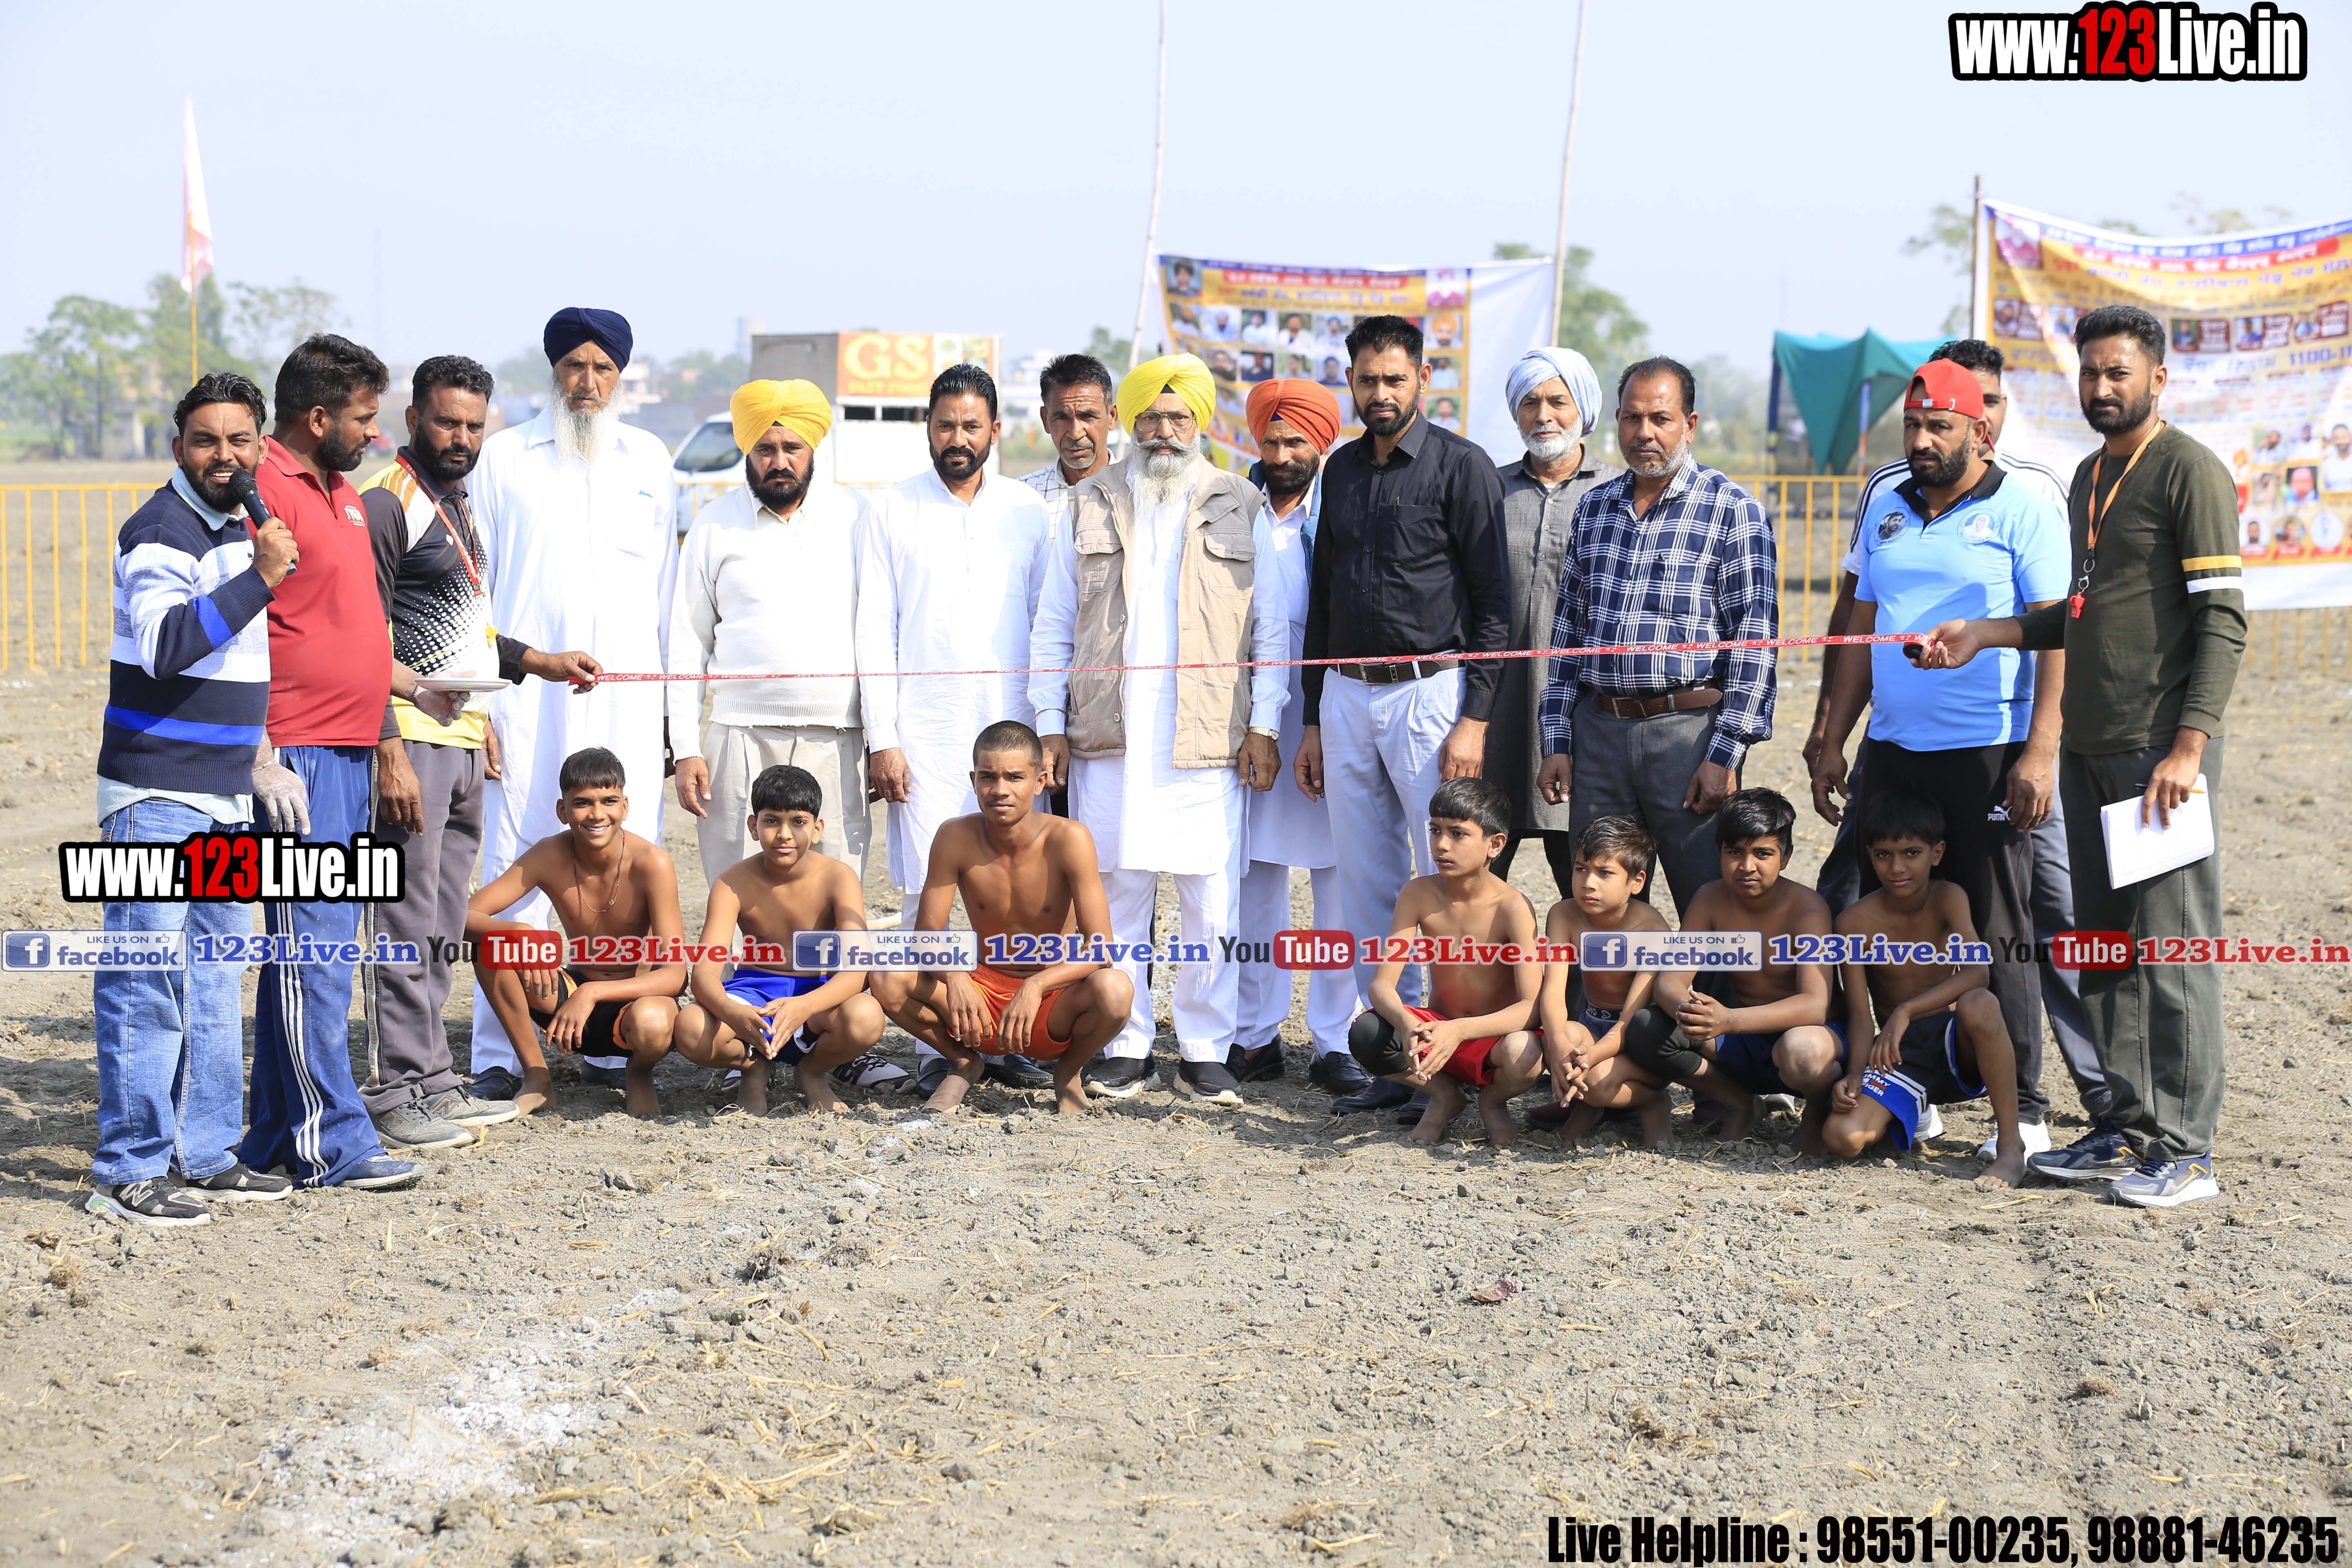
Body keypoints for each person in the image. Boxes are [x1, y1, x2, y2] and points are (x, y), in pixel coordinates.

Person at [1921, 304, 2246, 1208]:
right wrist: (1986, 632)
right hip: (2091, 752)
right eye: (2090, 372)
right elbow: (2078, 612)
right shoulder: (2090, 477)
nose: (2101, 387)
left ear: (2157, 379)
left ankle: (2187, 1151)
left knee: (2169, 950)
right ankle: (2127, 1127)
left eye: (2118, 373)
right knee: (2103, 947)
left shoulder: (2190, 471)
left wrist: (2188, 747)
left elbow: (2224, 621)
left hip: (2157, 758)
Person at [1801, 338, 2098, 1159]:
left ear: (1981, 433)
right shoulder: (1886, 505)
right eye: (1913, 426)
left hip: (1990, 752)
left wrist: (2040, 752)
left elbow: (2058, 636)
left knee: (1997, 928)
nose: (1922, 441)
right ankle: (1904, 1081)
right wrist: (1832, 737)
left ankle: (2024, 1106)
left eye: (1939, 427)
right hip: (1895, 750)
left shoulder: (2027, 507)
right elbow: (1859, 632)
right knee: (1878, 917)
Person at [1031, 353, 1286, 1105]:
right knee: (1116, 891)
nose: (1164, 431)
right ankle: (1127, 1043)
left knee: (1210, 896)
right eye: (1151, 417)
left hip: (1207, 735)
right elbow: (1053, 624)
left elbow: (1271, 629)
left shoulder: (1240, 501)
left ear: (1199, 423)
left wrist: (1265, 725)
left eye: (1179, 417)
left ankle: (1205, 1048)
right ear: (1131, 423)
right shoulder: (1090, 502)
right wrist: (1050, 723)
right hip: (1107, 736)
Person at [362, 354, 603, 1135]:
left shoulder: (458, 503)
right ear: (413, 421)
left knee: (441, 921)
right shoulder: (388, 503)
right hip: (412, 742)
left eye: (473, 425)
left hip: (464, 737)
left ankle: (434, 1079)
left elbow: (470, 634)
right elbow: (363, 640)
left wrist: (539, 663)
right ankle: (397, 1092)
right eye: (446, 422)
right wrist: (389, 750)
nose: (461, 437)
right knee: (404, 920)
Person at [87, 372, 299, 1225]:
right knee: (146, 983)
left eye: (239, 440)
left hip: (222, 796)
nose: (224, 455)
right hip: (155, 794)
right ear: (178, 447)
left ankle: (205, 1155)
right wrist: (262, 579)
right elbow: (166, 645)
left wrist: (260, 757)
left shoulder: (240, 528)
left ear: (260, 447)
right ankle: (127, 1171)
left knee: (214, 982)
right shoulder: (161, 530)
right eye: (206, 440)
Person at [1296, 314, 1511, 1117]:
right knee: (1367, 883)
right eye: (1367, 380)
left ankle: (1456, 1061)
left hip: (1432, 694)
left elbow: (1495, 606)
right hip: (1347, 693)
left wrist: (1475, 718)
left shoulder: (1463, 467)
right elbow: (1322, 600)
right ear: (1350, 382)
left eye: (1394, 379)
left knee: (1447, 876)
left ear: (1424, 378)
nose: (1380, 393)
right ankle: (1396, 1062)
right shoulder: (1342, 471)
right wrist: (1313, 718)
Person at [467, 307, 679, 1101]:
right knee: (518, 855)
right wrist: (479, 707)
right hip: (525, 702)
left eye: (603, 368)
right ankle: (501, 1051)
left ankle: (609, 1043)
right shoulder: (503, 458)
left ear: (621, 376)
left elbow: (666, 597)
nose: (588, 382)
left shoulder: (650, 459)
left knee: (623, 862)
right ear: (553, 371)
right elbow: (476, 592)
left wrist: (673, 722)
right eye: (574, 366)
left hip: (628, 701)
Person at [243, 335, 416, 1192]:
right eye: (364, 418)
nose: (375, 434)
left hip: (349, 750)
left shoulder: (344, 495)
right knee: (310, 954)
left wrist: (409, 692)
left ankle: (275, 1134)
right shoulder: (263, 490)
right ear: (317, 418)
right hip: (298, 756)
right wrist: (260, 752)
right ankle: (333, 1144)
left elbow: (348, 628)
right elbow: (242, 622)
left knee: (317, 953)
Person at [854, 363, 1055, 1094]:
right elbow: (874, 628)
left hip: (1015, 728)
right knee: (925, 889)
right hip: (927, 734)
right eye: (946, 425)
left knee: (1020, 896)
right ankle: (940, 1047)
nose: (958, 439)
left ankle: (1014, 1040)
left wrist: (1049, 726)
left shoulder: (1027, 511)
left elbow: (1048, 623)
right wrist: (884, 737)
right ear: (928, 430)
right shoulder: (890, 509)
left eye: (972, 426)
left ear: (996, 430)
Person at [1536, 359, 1777, 915]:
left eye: (1660, 419)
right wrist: (1558, 740)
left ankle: (1713, 981)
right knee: (1601, 905)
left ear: (1689, 425)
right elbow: (1568, 632)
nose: (1644, 433)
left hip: (1688, 740)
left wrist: (1726, 753)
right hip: (1599, 735)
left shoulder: (1732, 511)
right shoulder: (1594, 509)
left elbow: (1754, 642)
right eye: (1632, 418)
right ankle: (1611, 982)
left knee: (1710, 901)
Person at [668, 380, 875, 901]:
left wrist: (883, 739)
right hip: (738, 738)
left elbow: (881, 632)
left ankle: (831, 964)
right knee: (738, 895)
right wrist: (686, 748)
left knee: (835, 893)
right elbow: (686, 644)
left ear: (813, 449)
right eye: (765, 449)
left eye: (791, 448)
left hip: (836, 737)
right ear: (747, 450)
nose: (779, 462)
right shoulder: (714, 525)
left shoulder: (857, 517)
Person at [870, 723, 1133, 1115]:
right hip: (978, 1003)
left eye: (1015, 777)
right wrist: (956, 977)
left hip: (1051, 1004)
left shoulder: (1069, 838)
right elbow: (926, 937)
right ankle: (962, 1062)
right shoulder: (954, 836)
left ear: (1040, 781)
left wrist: (1036, 986)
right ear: (973, 780)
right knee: (887, 975)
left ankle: (1069, 1073)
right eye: (988, 777)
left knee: (1116, 989)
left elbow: (1102, 949)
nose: (1000, 790)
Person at [1229, 379, 1368, 1098]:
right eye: (1271, 441)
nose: (1282, 456)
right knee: (1253, 874)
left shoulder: (1348, 507)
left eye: (1296, 443)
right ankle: (1254, 1036)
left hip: (1330, 711)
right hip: (1248, 716)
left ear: (1322, 444)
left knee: (1340, 876)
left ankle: (1336, 1039)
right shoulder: (1231, 507)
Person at [1814, 790, 2027, 1188]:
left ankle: (2011, 1146)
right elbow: (1860, 1016)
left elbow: (1978, 973)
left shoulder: (1948, 898)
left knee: (1980, 1003)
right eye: (1884, 855)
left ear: (1937, 853)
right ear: (1871, 855)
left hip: (1955, 1045)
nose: (1897, 867)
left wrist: (1905, 1010)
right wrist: (1856, 1075)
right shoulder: (1853, 923)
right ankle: (1910, 1110)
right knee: (1843, 1137)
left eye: (1911, 853)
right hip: (1900, 1054)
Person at [465, 748, 686, 1118]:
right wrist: (520, 932)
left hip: (636, 1004)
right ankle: (538, 1078)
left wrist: (592, 993)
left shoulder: (652, 863)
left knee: (654, 1021)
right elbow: (462, 917)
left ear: (626, 807)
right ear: (562, 811)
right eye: (583, 803)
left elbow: (675, 974)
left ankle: (638, 1073)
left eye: (609, 801)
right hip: (570, 1001)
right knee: (492, 948)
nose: (597, 814)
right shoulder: (550, 854)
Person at [1618, 789, 1840, 1143]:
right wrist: (1695, 1013)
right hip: (1741, 1039)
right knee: (1646, 1028)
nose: (1747, 866)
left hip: (1807, 1038)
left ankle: (1816, 1113)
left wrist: (1730, 1020)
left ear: (1785, 857)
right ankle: (1739, 1103)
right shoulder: (1710, 898)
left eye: (1763, 854)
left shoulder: (1808, 909)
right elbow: (1669, 982)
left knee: (1802, 1051)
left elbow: (1815, 1006)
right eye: (1735, 852)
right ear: (1719, 852)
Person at [672, 765, 886, 1117]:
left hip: (817, 1000)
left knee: (866, 1016)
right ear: (754, 827)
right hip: (752, 997)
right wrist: (733, 1012)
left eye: (798, 822)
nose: (784, 835)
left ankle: (812, 1072)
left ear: (817, 829)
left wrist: (805, 1006)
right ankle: (753, 1068)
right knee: (691, 1028)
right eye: (772, 821)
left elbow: (857, 970)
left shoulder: (838, 878)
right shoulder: (732, 882)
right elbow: (705, 974)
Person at [1346, 778, 1542, 1148]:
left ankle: (1492, 1101)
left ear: (1495, 845)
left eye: (1458, 834)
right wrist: (1407, 1025)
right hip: (1435, 1032)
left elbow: (1531, 1008)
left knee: (1526, 1052)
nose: (1442, 845)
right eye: (1435, 830)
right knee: (1368, 1032)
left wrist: (1461, 1031)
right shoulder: (1418, 893)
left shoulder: (1512, 907)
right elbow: (1381, 986)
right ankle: (1444, 1096)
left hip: (1492, 1039)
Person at [1485, 346, 1617, 898]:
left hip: (1585, 717)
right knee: (1478, 879)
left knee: (1588, 881)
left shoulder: (1618, 493)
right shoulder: (1487, 489)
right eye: (1530, 403)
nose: (1544, 416)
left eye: (1559, 402)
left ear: (1583, 409)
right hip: (1495, 713)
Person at [1530, 815, 1671, 1145]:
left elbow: (1628, 1021)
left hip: (1638, 1041)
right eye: (1581, 869)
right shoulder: (1564, 915)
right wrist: (1557, 1043)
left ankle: (1652, 1101)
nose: (1588, 883)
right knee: (1558, 1039)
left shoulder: (1651, 931)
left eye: (1605, 873)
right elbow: (1553, 992)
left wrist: (1590, 1057)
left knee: (1593, 1080)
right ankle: (1588, 1108)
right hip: (1591, 1024)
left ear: (1636, 882)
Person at [1021, 354, 1118, 537]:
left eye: (1088, 416)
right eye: (1062, 418)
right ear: (1046, 420)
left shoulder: (1137, 494)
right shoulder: (1020, 499)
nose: (1075, 433)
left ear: (1112, 417)